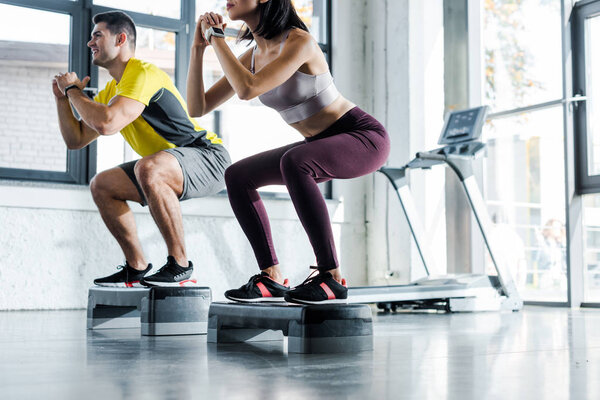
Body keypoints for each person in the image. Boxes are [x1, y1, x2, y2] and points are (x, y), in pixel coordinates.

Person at [187, 1, 390, 304]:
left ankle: (330, 277)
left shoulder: (299, 42)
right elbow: (198, 107)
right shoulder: (253, 55)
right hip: (317, 145)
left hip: (361, 137)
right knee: (238, 175)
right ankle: (271, 276)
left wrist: (217, 38)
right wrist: (198, 49)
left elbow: (247, 89)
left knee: (294, 161)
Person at [53, 11, 230, 287]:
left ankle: (180, 263)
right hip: (168, 164)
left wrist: (74, 92)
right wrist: (63, 99)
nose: (90, 43)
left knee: (148, 167)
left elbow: (107, 123)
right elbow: (75, 139)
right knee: (102, 185)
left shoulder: (141, 72)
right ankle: (136, 265)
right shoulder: (113, 89)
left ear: (121, 39)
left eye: (97, 35)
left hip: (209, 158)